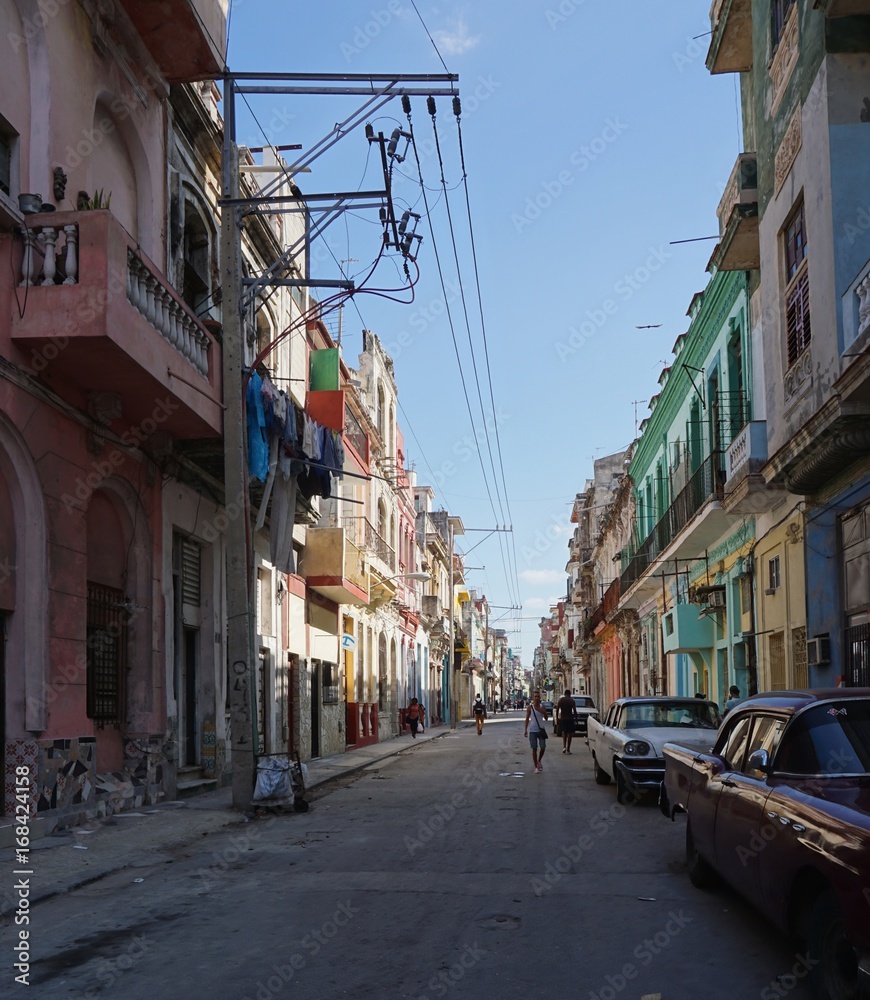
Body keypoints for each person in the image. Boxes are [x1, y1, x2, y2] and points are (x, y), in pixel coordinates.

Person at [523, 689, 549, 773]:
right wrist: (525, 730)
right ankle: (536, 767)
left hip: (541, 730)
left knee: (543, 747)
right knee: (534, 748)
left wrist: (544, 712)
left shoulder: (542, 707)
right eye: (535, 697)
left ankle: (539, 760)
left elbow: (546, 718)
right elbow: (527, 719)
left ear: (539, 697)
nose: (537, 698)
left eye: (538, 696)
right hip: (533, 730)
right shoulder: (530, 708)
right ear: (533, 698)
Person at [556, 688, 578, 754]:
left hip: (563, 719)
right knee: (570, 734)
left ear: (564, 694)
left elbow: (557, 709)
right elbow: (574, 710)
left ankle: (564, 747)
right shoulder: (572, 701)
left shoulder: (561, 700)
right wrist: (576, 719)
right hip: (570, 719)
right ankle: (568, 749)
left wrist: (557, 719)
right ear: (569, 694)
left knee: (564, 733)